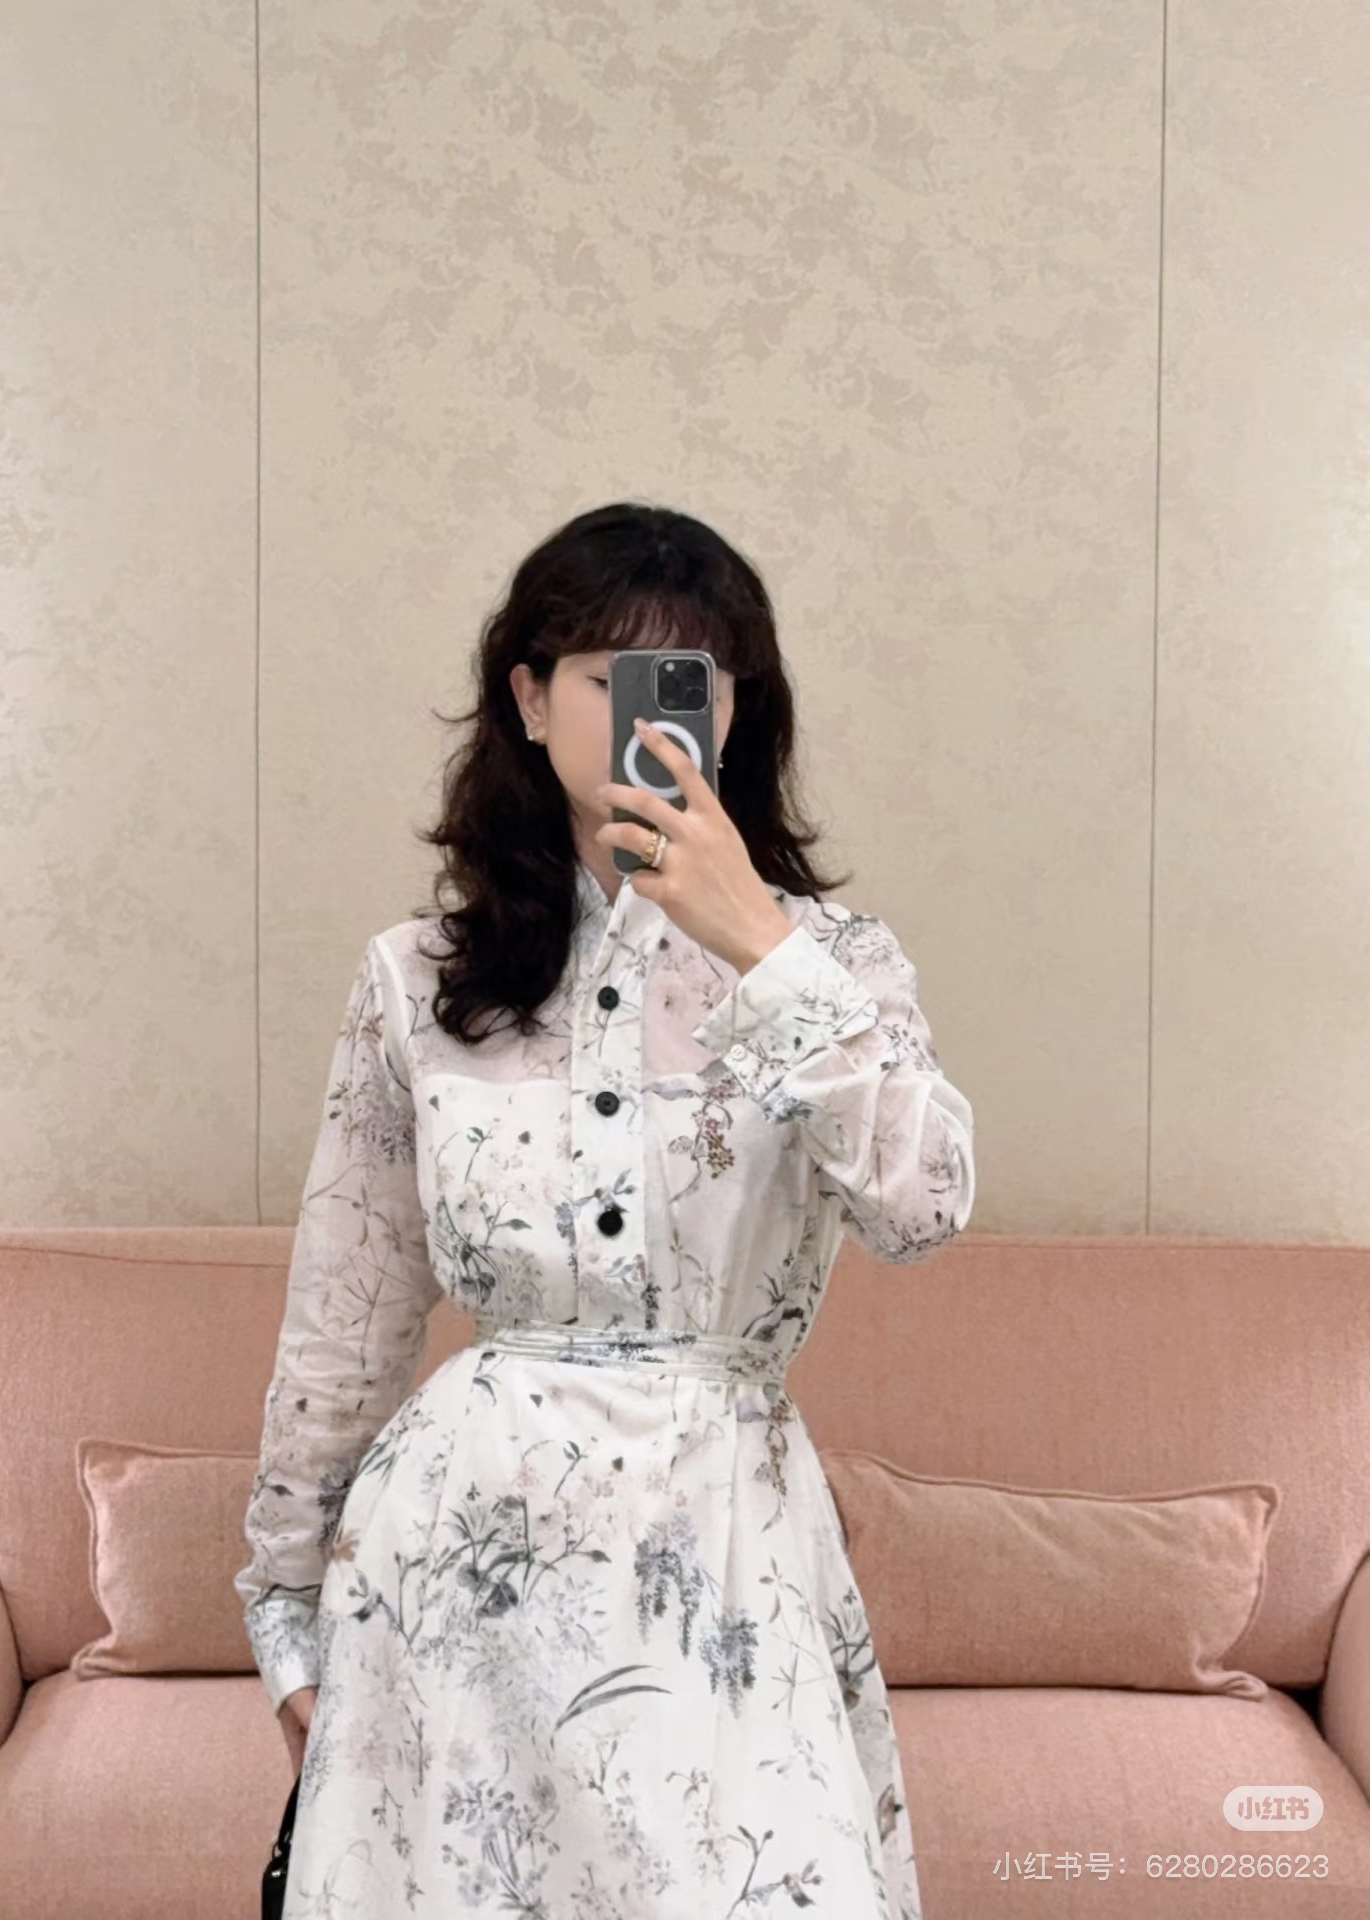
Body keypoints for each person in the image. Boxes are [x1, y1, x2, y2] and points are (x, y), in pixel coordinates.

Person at [235, 500, 975, 1919]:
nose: (652, 712)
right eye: (604, 674)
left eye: (692, 678)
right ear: (528, 700)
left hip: (724, 1546)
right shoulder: (417, 979)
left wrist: (757, 944)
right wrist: (285, 1608)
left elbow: (924, 1206)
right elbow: (350, 1302)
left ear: (737, 710)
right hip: (459, 1555)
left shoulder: (835, 962)